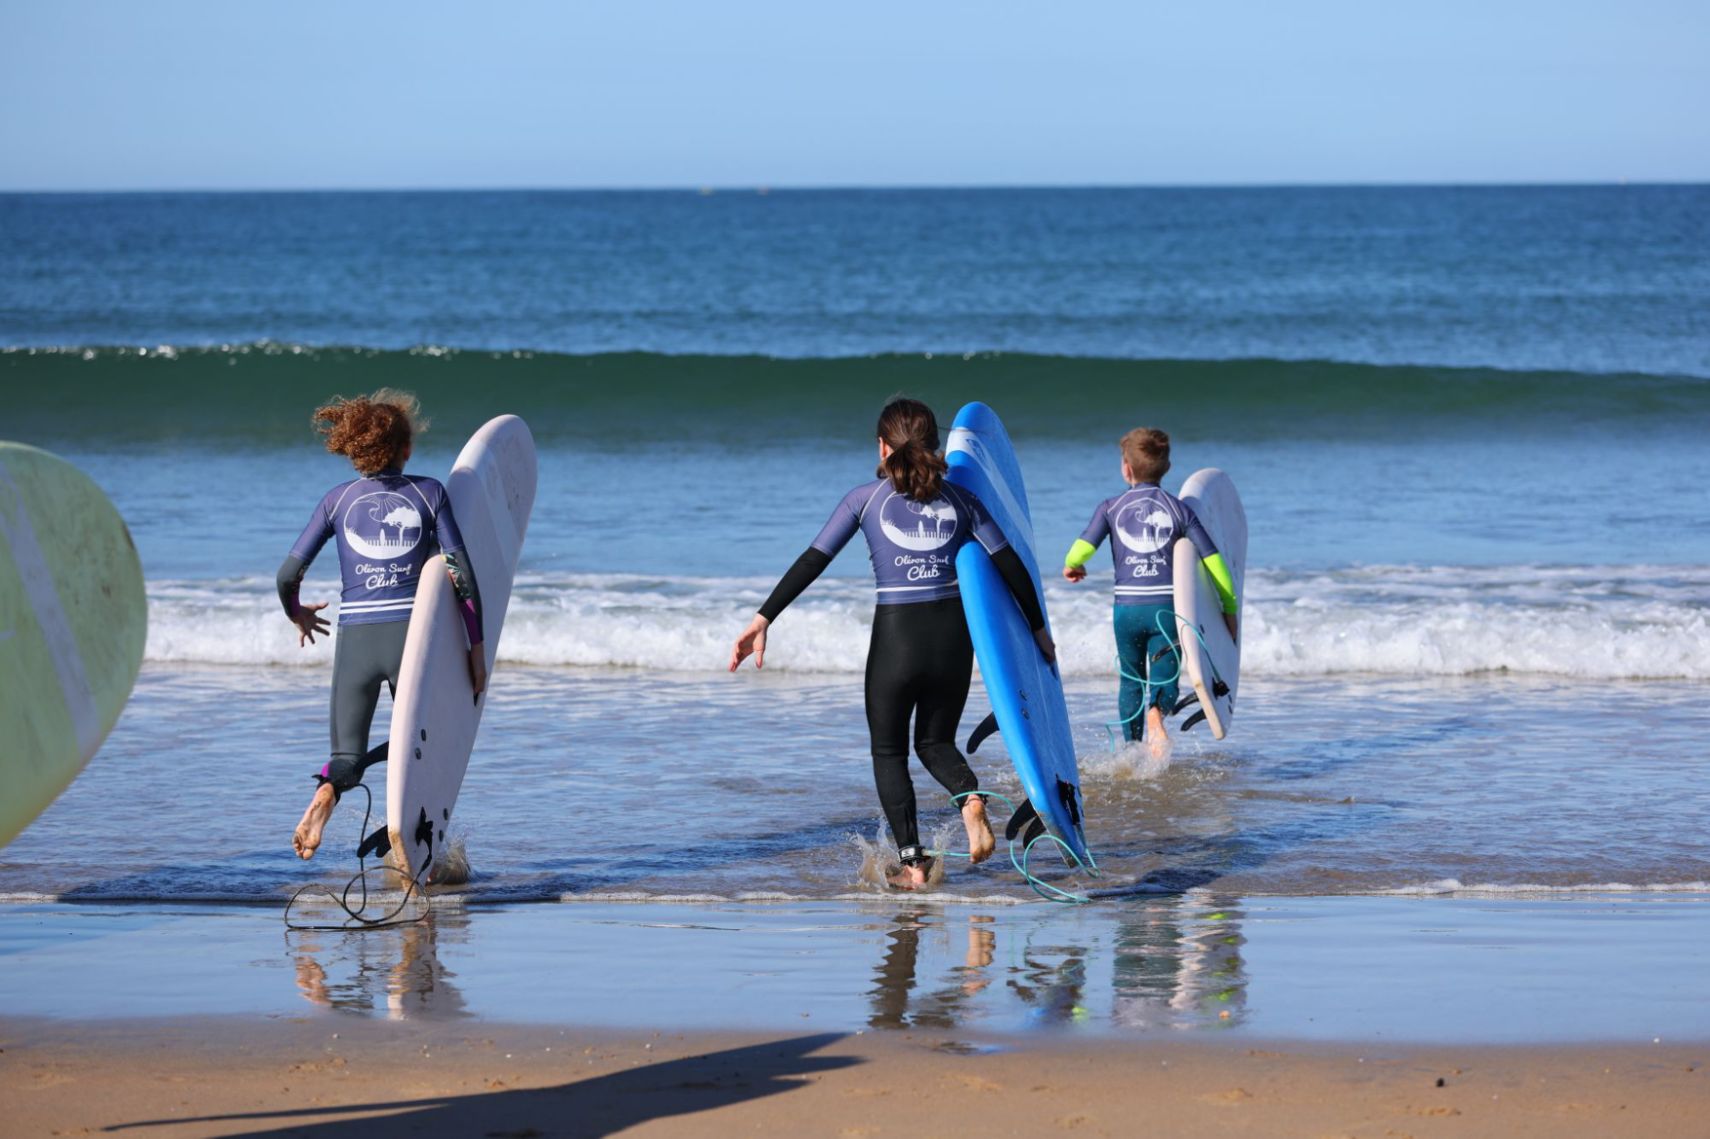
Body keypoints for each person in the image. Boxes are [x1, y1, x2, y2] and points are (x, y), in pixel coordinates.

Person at [729, 398, 1054, 890]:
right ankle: (969, 797)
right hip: (952, 638)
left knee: (889, 752)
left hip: (897, 638)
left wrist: (764, 617)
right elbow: (1010, 564)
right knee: (935, 741)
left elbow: (813, 559)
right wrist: (1037, 628)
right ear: (935, 446)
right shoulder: (964, 502)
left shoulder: (864, 499)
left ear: (882, 446)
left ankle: (913, 865)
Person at [279, 389, 485, 860]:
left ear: (355, 451)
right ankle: (411, 842)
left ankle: (326, 794)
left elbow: (287, 575)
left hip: (356, 640)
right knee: (420, 743)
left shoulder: (336, 501)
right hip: (412, 640)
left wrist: (298, 612)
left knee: (346, 757)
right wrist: (476, 649)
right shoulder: (429, 492)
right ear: (405, 449)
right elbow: (461, 573)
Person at [1062, 427, 1237, 758]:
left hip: (1126, 611)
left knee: (1130, 680)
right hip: (1166, 610)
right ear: (1167, 468)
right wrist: (1229, 610)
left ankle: (1132, 752)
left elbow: (1079, 551)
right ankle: (1156, 716)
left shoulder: (1110, 508)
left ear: (1125, 468)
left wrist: (1073, 566)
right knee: (1165, 677)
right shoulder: (1180, 511)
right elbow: (1216, 566)